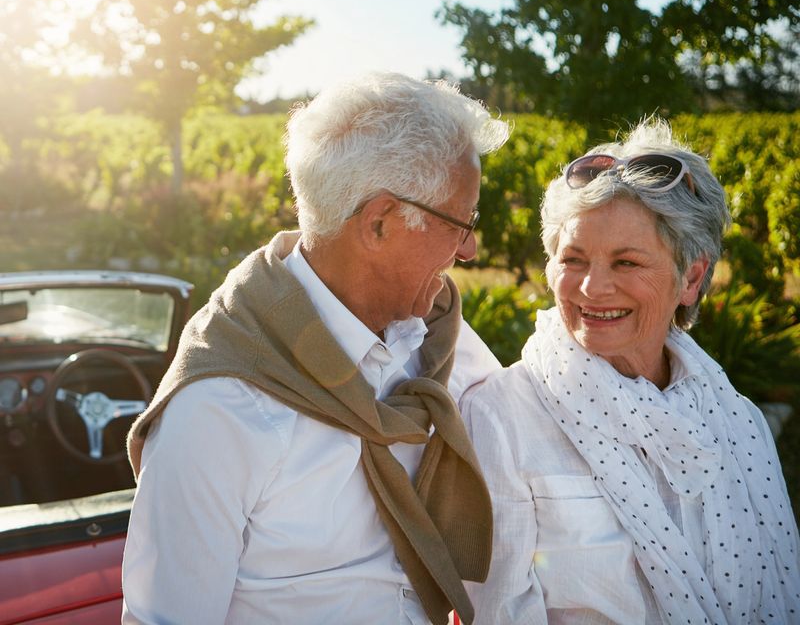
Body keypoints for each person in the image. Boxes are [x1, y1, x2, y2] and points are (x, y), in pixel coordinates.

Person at [121, 72, 510, 625]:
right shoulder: (218, 408)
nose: (470, 248)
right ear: (379, 223)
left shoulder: (436, 333)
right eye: (461, 222)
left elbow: (529, 423)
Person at [463, 120, 800, 624]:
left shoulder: (739, 421)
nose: (593, 288)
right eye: (573, 259)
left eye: (626, 263)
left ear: (691, 277)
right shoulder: (499, 418)